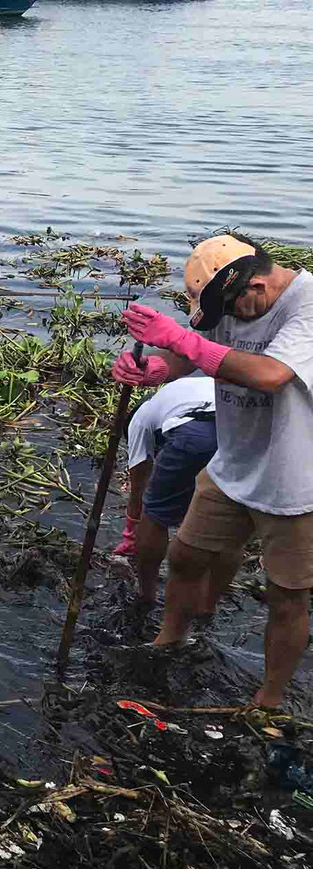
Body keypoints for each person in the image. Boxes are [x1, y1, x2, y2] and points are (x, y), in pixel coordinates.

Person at [111, 233, 313, 708]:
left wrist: (179, 339)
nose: (229, 325)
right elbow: (195, 351)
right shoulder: (232, 303)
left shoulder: (307, 303)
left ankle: (268, 699)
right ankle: (170, 639)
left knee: (287, 596)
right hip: (231, 463)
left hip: (297, 478)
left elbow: (269, 374)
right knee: (184, 557)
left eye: (233, 311)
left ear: (256, 286)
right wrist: (160, 367)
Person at [114, 375, 240, 622]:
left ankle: (147, 595)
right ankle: (207, 608)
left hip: (195, 432)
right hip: (243, 431)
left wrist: (130, 533)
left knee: (155, 515)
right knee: (232, 525)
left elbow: (139, 485)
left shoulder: (138, 421)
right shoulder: (183, 388)